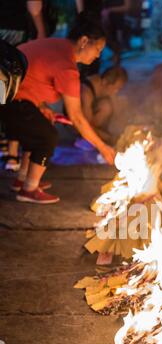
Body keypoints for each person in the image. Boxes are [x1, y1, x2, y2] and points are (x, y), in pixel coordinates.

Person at [0, 12, 116, 204]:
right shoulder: (67, 67)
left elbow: (33, 74)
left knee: (39, 126)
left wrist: (42, 105)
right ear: (84, 41)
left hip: (8, 95)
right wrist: (103, 148)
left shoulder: (57, 45)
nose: (98, 55)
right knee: (47, 137)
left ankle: (22, 180)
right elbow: (77, 117)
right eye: (98, 49)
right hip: (9, 100)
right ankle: (29, 189)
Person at [0, 0, 46, 171]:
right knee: (10, 90)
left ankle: (5, 144)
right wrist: (41, 31)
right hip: (14, 34)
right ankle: (11, 151)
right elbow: (34, 6)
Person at [80, 66, 128, 145]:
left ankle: (97, 137)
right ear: (105, 82)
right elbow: (86, 125)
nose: (116, 92)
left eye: (119, 89)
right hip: (74, 123)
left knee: (109, 105)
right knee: (106, 107)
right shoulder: (86, 93)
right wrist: (108, 138)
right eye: (115, 88)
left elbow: (119, 111)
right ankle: (86, 140)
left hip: (91, 117)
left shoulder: (105, 86)